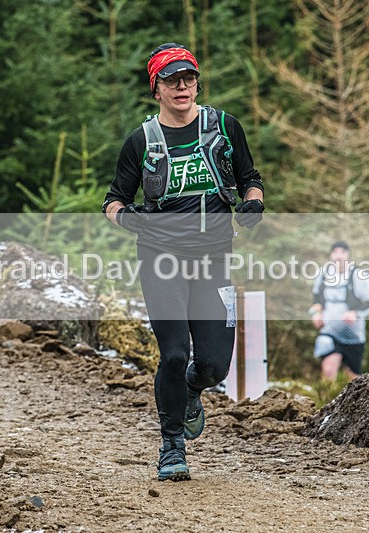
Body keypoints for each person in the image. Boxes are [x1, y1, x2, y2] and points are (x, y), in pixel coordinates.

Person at [101, 43, 264, 481]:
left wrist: (253, 205)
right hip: (161, 259)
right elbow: (113, 201)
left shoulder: (225, 127)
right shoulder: (142, 141)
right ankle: (172, 446)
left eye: (189, 78)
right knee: (173, 355)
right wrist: (128, 218)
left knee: (213, 367)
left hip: (213, 259)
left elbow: (251, 180)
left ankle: (193, 390)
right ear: (156, 88)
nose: (183, 87)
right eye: (172, 80)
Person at [309, 241, 369, 382]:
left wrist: (356, 313)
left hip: (353, 335)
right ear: (331, 255)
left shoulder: (358, 275)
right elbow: (317, 299)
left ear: (348, 255)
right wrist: (315, 313)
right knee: (328, 372)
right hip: (329, 330)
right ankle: (326, 402)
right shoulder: (323, 275)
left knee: (353, 379)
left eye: (342, 252)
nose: (339, 256)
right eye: (335, 252)